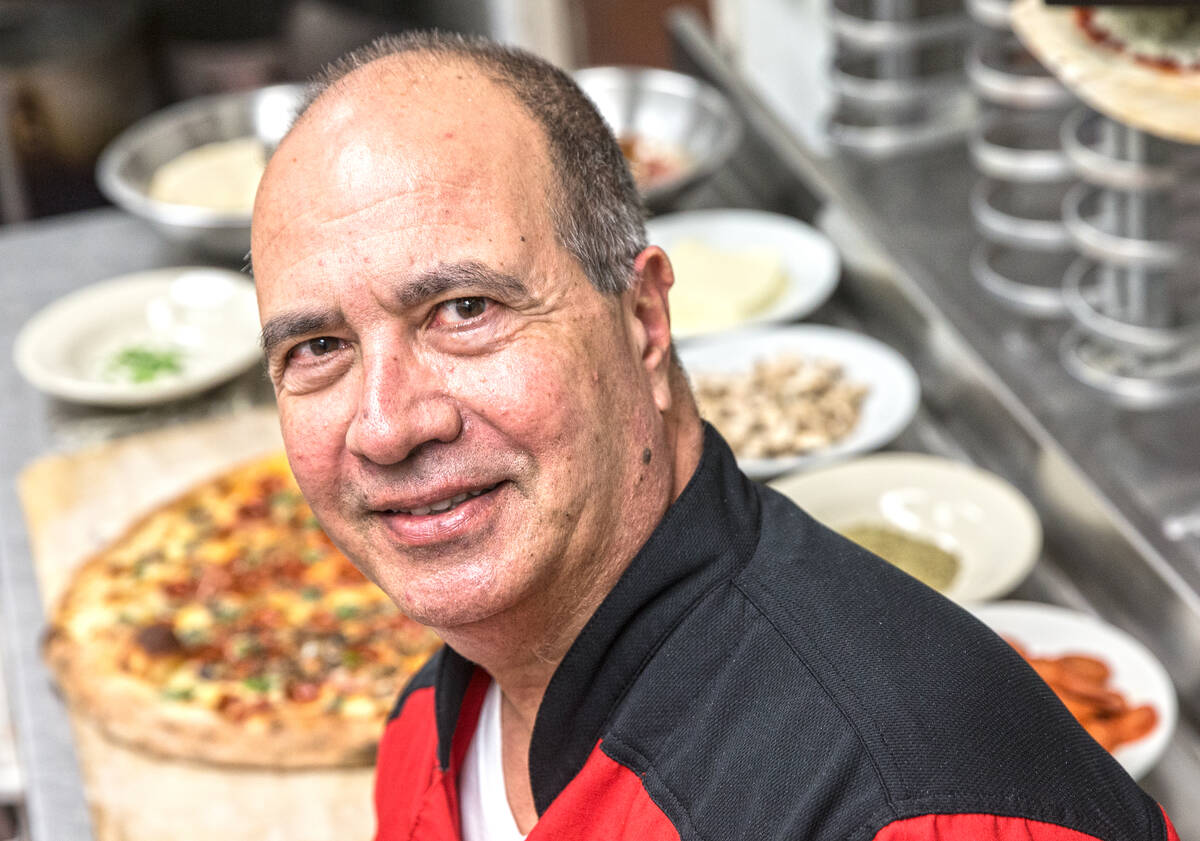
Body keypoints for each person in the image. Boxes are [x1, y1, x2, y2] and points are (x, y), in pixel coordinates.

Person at [250, 31, 1178, 841]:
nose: (386, 425)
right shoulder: (427, 731)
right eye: (318, 347)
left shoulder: (908, 809)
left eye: (465, 309)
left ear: (645, 322)